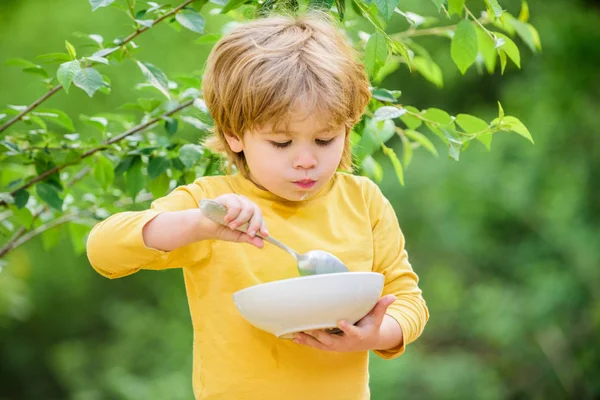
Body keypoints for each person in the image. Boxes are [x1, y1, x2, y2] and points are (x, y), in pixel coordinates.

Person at [86, 10, 429, 400]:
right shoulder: (210, 204)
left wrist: (376, 334)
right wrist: (196, 224)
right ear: (234, 134)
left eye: (325, 139)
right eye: (281, 143)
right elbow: (103, 251)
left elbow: (406, 299)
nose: (306, 160)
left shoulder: (363, 200)